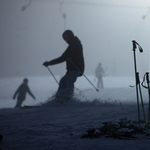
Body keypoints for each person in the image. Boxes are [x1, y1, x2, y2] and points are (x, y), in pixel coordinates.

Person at [43, 30, 84, 101]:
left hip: (76, 68)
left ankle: (68, 98)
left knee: (69, 81)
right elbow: (65, 57)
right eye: (64, 38)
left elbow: (62, 58)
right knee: (63, 81)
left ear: (70, 36)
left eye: (66, 37)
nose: (65, 39)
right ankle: (59, 98)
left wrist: (49, 63)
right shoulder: (73, 44)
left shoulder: (74, 44)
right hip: (72, 68)